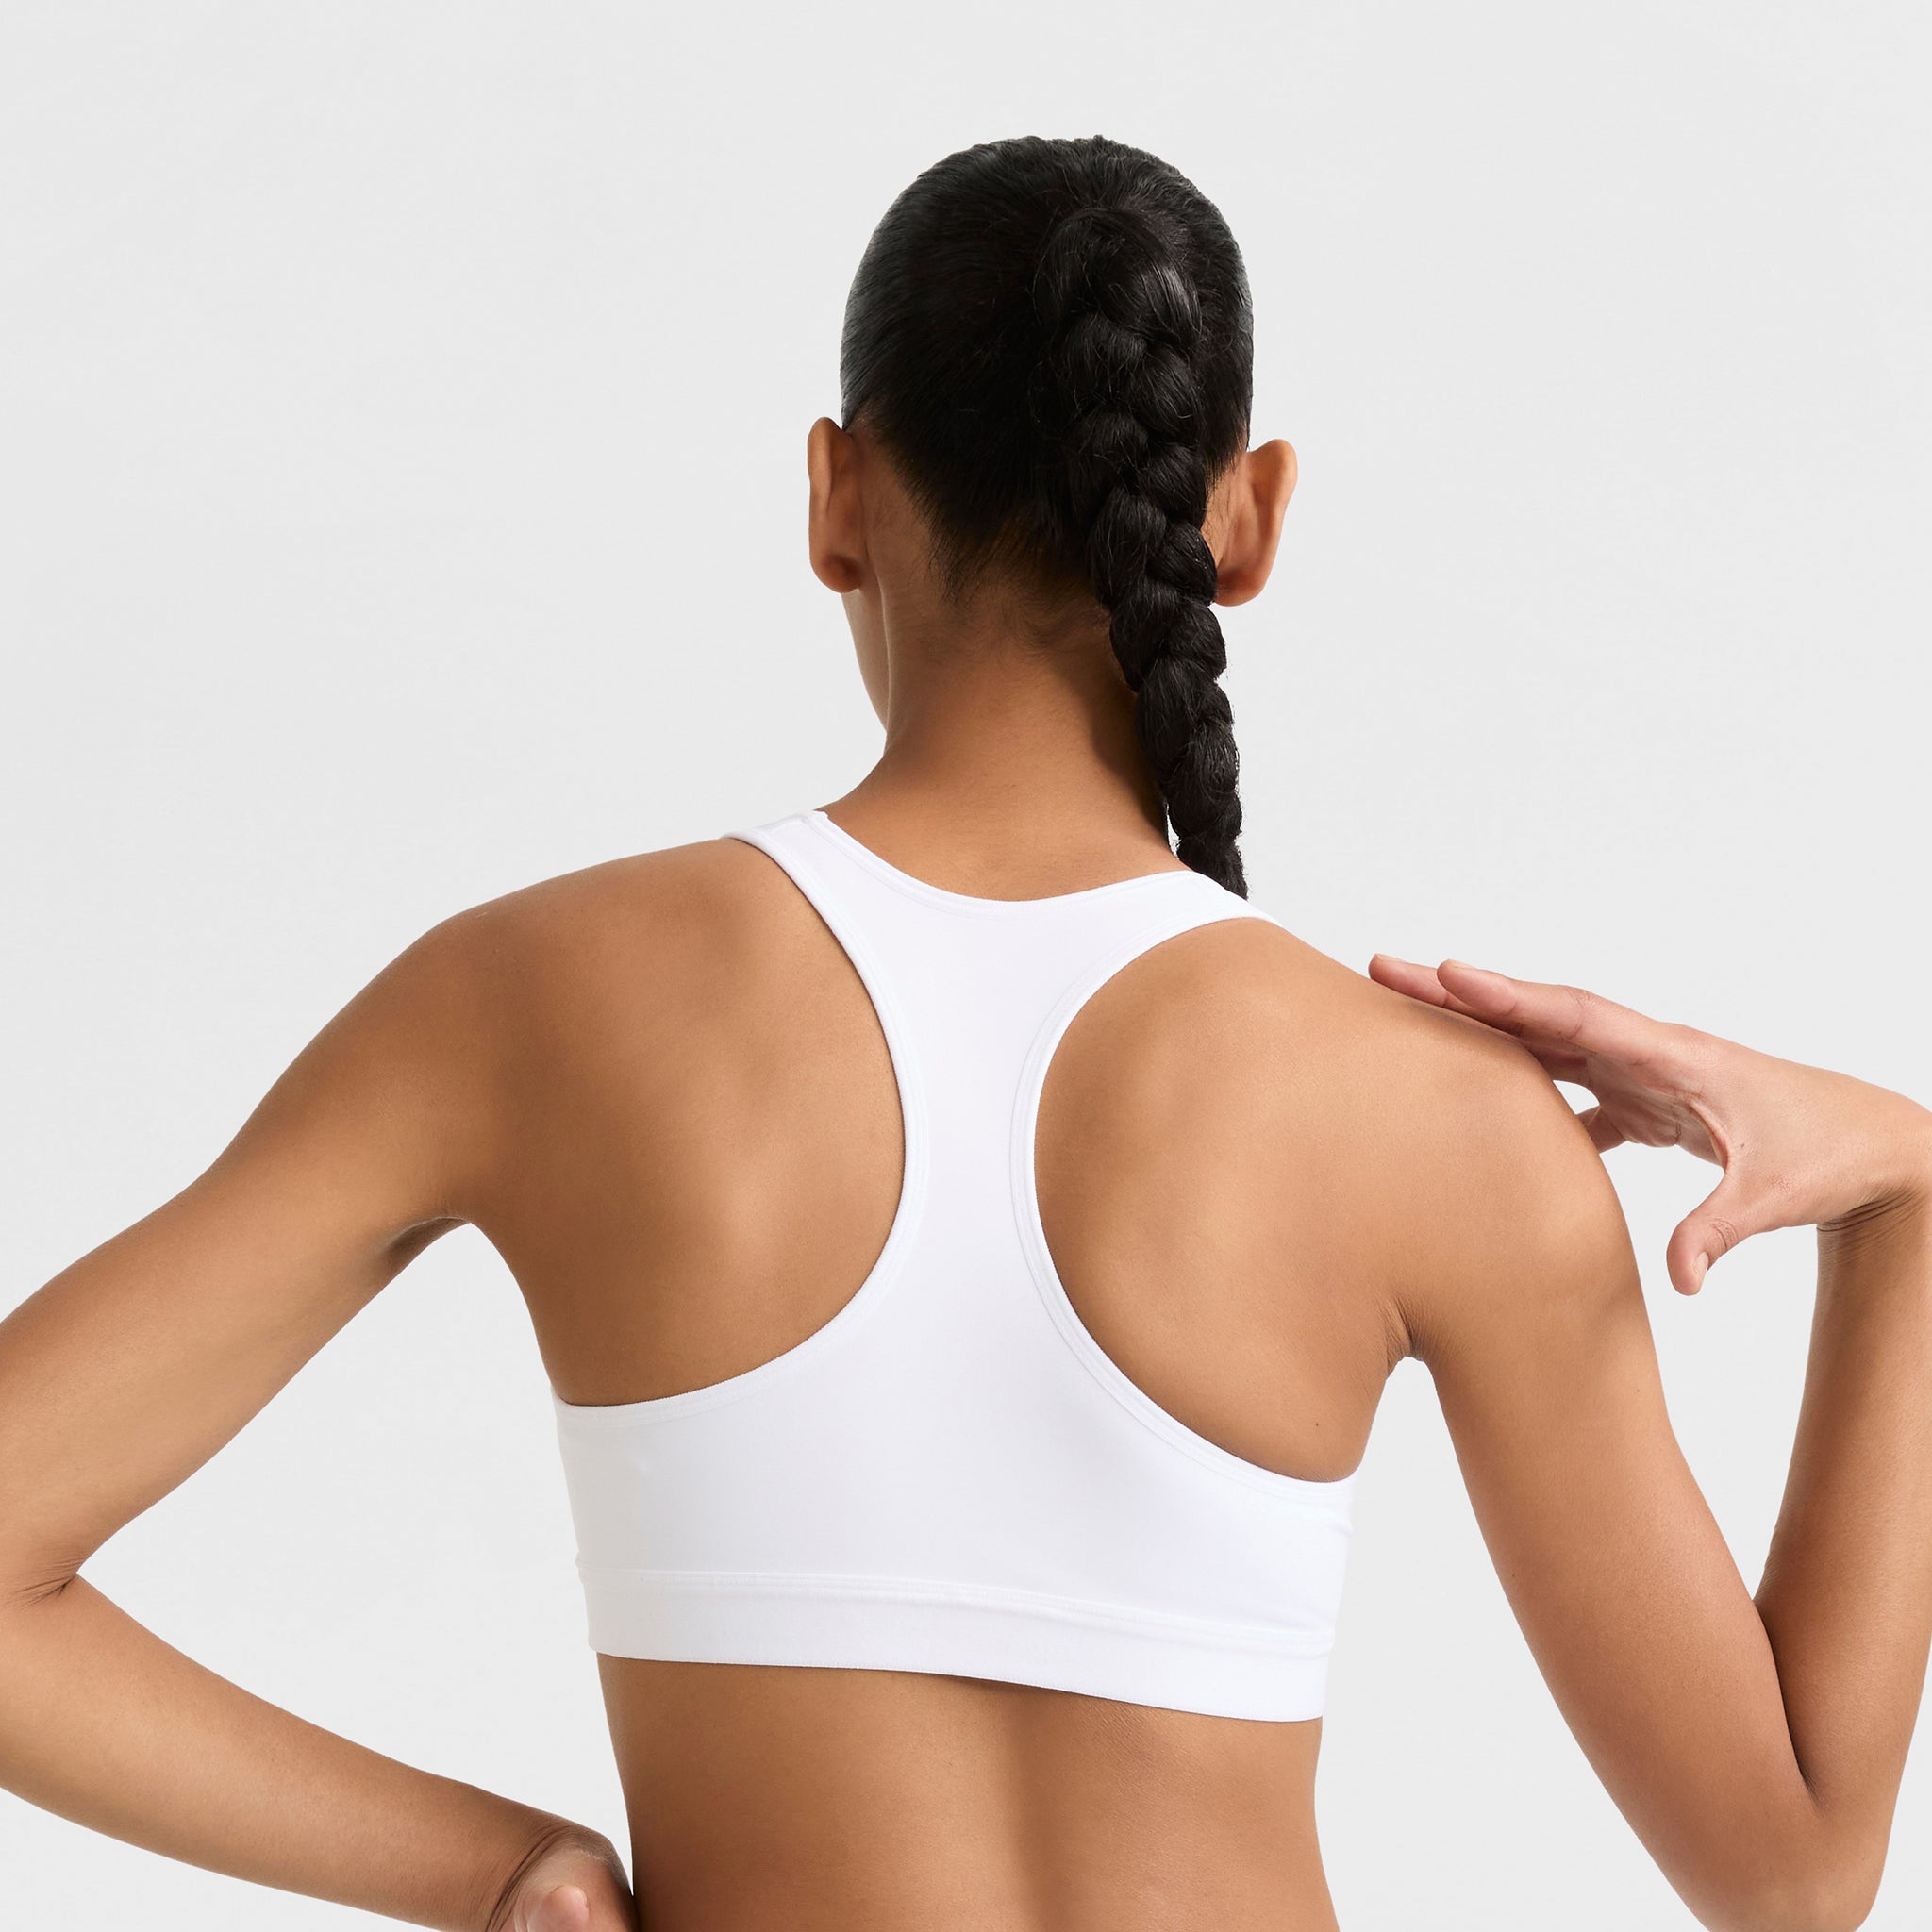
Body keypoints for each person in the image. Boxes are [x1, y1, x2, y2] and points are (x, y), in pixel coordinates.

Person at [1, 134, 1926, 1932]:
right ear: (1243, 524)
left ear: (837, 498)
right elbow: (1792, 1869)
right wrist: (1907, 1196)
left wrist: (497, 1866)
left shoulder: (537, 1005)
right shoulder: (1429, 1117)